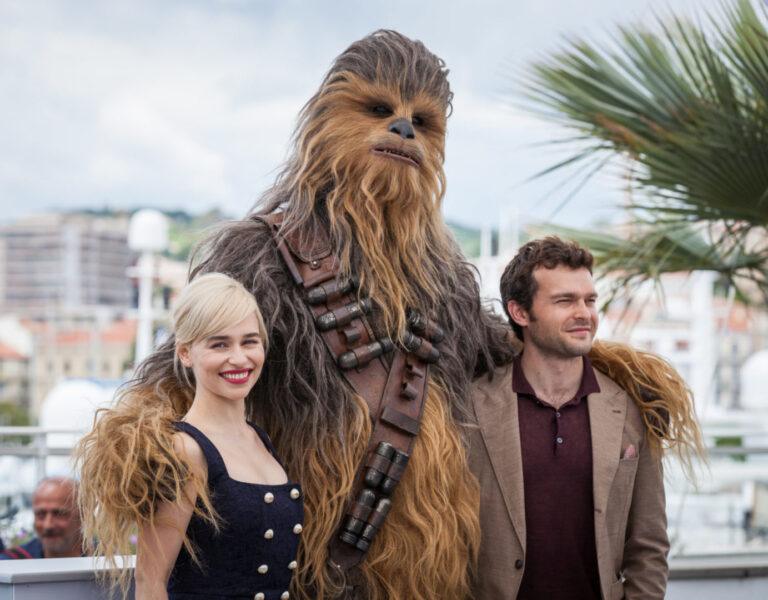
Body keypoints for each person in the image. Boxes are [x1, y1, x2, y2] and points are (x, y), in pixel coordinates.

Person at [468, 237, 703, 600]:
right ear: (520, 313)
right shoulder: (471, 407)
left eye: (590, 300)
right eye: (565, 301)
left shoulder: (630, 409)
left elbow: (648, 545)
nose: (585, 313)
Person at [76, 273, 303, 600]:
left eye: (249, 341)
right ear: (185, 353)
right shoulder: (185, 450)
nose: (239, 358)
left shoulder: (260, 440)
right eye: (219, 344)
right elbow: (150, 581)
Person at [0, 477, 83, 559]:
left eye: (59, 514)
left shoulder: (95, 559)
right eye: (40, 514)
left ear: (82, 515)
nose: (48, 525)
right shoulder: (11, 563)